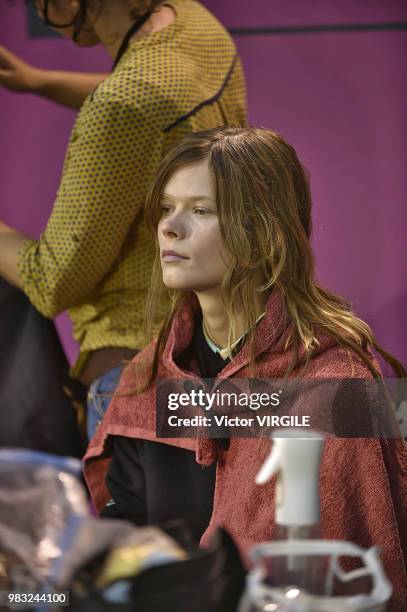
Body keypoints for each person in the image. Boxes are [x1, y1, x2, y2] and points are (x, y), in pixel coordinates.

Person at [84, 126, 407, 609]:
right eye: (167, 208)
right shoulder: (153, 372)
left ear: (264, 231)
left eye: (200, 210)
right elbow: (127, 525)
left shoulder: (333, 382)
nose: (170, 228)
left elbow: (344, 570)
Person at [0, 0, 247, 438]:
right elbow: (149, 100)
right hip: (216, 350)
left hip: (138, 384)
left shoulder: (124, 105)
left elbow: (52, 280)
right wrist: (41, 83)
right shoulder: (192, 23)